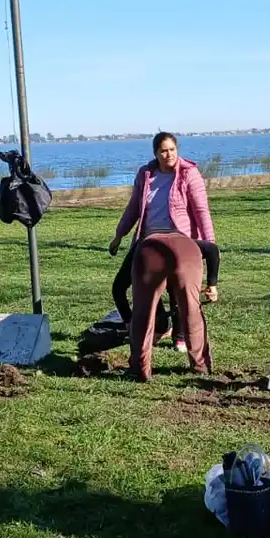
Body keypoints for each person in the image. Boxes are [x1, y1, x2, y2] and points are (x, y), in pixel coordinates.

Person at [109, 132, 216, 352]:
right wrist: (119, 235)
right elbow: (133, 209)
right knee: (121, 286)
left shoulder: (189, 174)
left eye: (172, 150)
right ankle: (144, 326)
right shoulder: (146, 174)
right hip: (148, 240)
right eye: (163, 151)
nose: (169, 155)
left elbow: (201, 211)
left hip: (180, 239)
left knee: (177, 290)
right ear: (156, 153)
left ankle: (180, 335)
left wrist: (207, 243)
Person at [128, 232, 213, 380]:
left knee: (143, 311)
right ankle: (201, 365)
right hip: (187, 251)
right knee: (192, 309)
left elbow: (118, 288)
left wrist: (127, 321)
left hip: (149, 251)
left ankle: (140, 367)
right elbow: (212, 249)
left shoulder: (137, 248)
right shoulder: (193, 242)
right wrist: (213, 283)